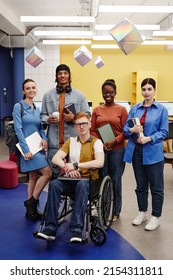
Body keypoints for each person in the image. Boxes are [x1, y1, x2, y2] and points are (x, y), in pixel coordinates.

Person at [36, 112, 104, 243]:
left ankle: (77, 230)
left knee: (82, 185)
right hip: (71, 178)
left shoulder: (97, 142)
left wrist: (76, 165)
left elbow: (100, 162)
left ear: (89, 124)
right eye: (78, 124)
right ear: (75, 127)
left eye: (84, 123)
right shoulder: (71, 141)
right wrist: (68, 168)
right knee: (54, 184)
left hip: (88, 181)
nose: (81, 127)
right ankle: (49, 228)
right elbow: (56, 158)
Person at [123, 77, 168, 231]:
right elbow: (125, 129)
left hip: (153, 153)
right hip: (136, 151)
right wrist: (132, 130)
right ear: (141, 91)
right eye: (144, 89)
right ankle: (142, 212)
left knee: (156, 187)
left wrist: (149, 138)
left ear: (154, 90)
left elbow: (164, 132)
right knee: (140, 186)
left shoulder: (162, 110)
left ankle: (156, 216)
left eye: (149, 89)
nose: (146, 92)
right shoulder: (135, 108)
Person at [40, 64, 90, 177]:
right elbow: (42, 116)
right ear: (56, 76)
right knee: (53, 177)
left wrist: (74, 118)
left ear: (69, 76)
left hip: (74, 143)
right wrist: (47, 119)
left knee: (76, 175)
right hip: (54, 144)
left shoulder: (80, 96)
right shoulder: (48, 96)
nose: (62, 75)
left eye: (65, 73)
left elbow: (87, 116)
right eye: (60, 73)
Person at [13, 79, 52, 221]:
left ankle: (31, 210)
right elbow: (18, 129)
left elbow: (41, 128)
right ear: (23, 91)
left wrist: (44, 139)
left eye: (33, 88)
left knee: (33, 177)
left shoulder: (36, 108)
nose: (31, 90)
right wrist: (25, 150)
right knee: (47, 173)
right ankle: (32, 202)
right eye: (28, 88)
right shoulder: (19, 107)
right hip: (28, 149)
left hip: (38, 147)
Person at [90, 79, 128, 221]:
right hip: (101, 150)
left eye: (110, 92)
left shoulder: (122, 110)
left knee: (115, 180)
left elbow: (126, 132)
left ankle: (115, 212)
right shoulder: (97, 110)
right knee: (102, 179)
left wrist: (114, 141)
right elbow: (92, 130)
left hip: (117, 150)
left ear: (115, 93)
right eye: (105, 92)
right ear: (102, 93)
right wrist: (100, 142)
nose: (108, 94)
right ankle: (104, 209)